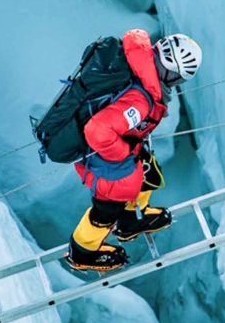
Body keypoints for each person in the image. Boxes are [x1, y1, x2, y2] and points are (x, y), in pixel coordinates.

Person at [67, 30, 202, 272]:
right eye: (178, 79)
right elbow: (98, 131)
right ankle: (83, 251)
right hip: (103, 155)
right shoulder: (141, 100)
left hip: (113, 143)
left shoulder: (140, 66)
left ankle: (131, 219)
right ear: (171, 72)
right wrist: (123, 154)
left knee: (147, 170)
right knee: (107, 208)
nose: (176, 84)